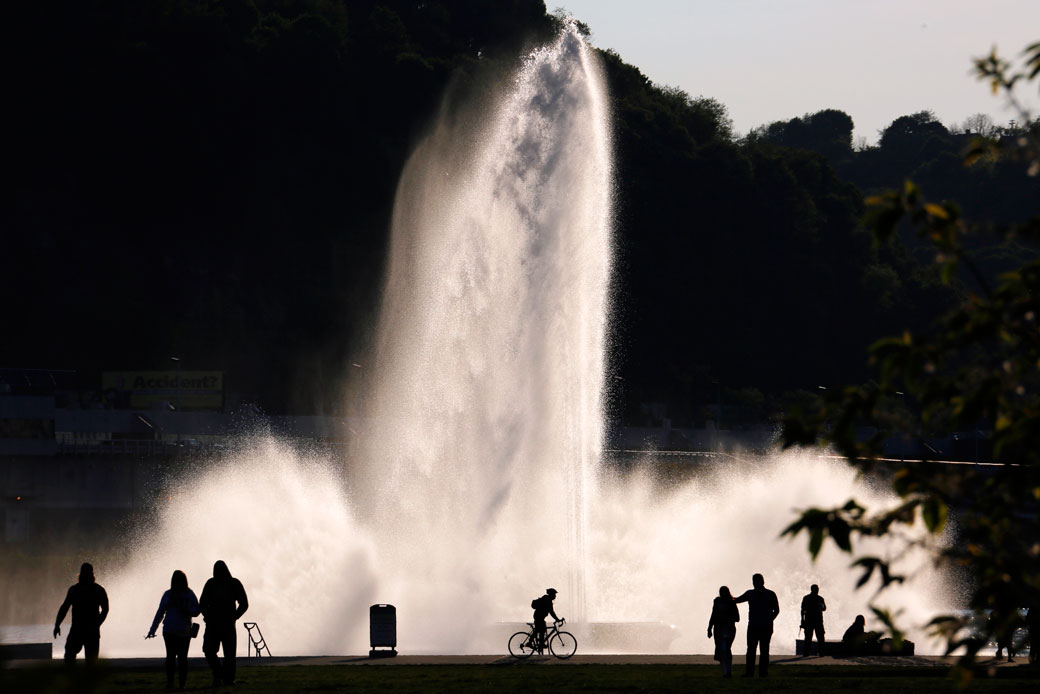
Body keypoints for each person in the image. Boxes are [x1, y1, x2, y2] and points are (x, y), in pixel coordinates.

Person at [147, 570, 201, 690]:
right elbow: (196, 611)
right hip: (184, 631)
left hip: (169, 630)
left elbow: (160, 613)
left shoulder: (168, 594)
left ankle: (171, 683)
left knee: (170, 658)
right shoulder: (189, 594)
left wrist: (153, 629)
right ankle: (182, 685)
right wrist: (187, 610)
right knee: (182, 659)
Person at [199, 560, 248, 687]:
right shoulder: (217, 583)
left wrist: (234, 617)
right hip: (217, 623)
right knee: (215, 652)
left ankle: (225, 678)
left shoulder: (231, 583)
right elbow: (202, 603)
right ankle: (222, 675)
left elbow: (244, 604)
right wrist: (208, 615)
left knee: (226, 654)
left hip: (223, 624)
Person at [54, 562, 110, 665]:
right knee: (73, 657)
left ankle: (75, 677)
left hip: (82, 630)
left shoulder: (80, 590)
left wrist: (97, 623)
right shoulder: (79, 590)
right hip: (80, 630)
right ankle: (74, 678)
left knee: (85, 660)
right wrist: (57, 624)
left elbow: (106, 609)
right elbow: (64, 608)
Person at [733, 573, 780, 677]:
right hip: (763, 626)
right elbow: (776, 610)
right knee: (763, 650)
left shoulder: (751, 594)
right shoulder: (770, 594)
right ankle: (762, 673)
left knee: (752, 650)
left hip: (755, 626)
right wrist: (769, 620)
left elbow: (736, 600)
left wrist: (725, 597)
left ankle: (751, 673)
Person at [707, 586, 740, 677]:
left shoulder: (732, 602)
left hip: (728, 629)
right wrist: (709, 628)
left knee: (725, 649)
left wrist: (726, 618)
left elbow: (737, 618)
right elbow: (713, 615)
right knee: (721, 650)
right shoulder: (717, 601)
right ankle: (726, 672)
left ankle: (727, 671)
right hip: (719, 628)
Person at [531, 588, 561, 653]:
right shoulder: (547, 600)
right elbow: (551, 612)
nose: (555, 596)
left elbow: (551, 612)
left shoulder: (547, 599)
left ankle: (540, 643)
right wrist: (557, 619)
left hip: (539, 617)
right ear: (551, 594)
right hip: (538, 617)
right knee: (539, 629)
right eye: (554, 594)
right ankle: (530, 642)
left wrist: (557, 619)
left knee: (542, 629)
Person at [800, 584, 827, 656]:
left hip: (812, 621)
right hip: (815, 621)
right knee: (817, 637)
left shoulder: (807, 598)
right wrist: (802, 620)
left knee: (811, 637)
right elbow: (824, 609)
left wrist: (802, 620)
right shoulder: (819, 598)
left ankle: (808, 653)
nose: (817, 591)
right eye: (816, 589)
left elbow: (802, 610)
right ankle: (819, 652)